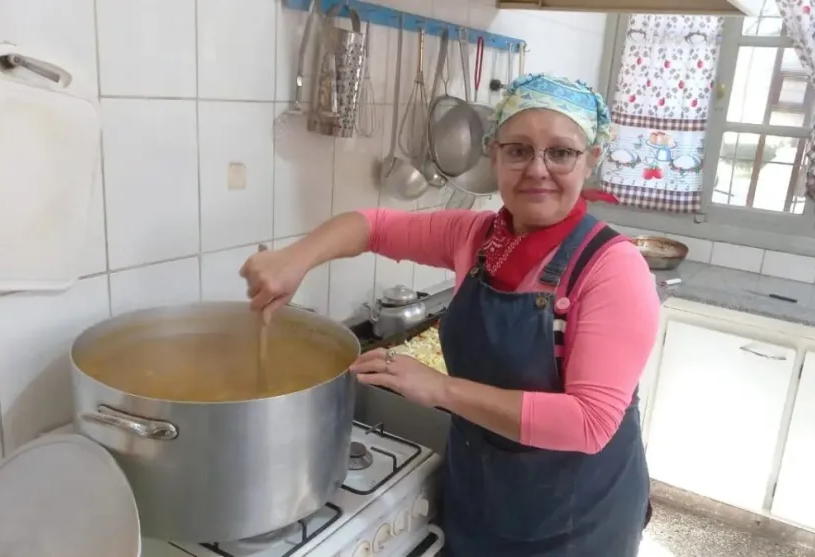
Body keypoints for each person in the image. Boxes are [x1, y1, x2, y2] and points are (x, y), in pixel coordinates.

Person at [241, 73, 660, 557]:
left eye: (561, 153)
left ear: (591, 159)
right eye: (518, 150)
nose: (537, 169)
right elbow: (373, 226)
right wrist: (295, 259)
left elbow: (589, 422)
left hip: (575, 520)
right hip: (481, 494)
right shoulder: (477, 237)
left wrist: (440, 389)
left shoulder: (611, 268)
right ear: (493, 155)